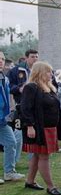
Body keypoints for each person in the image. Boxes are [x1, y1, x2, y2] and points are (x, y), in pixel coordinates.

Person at [21, 61, 61, 195]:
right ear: (40, 72)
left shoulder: (48, 87)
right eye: (48, 71)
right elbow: (26, 109)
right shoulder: (31, 87)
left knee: (37, 156)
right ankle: (50, 187)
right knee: (44, 157)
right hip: (39, 128)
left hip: (49, 128)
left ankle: (30, 181)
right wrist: (30, 126)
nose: (51, 74)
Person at [0, 51, 25, 183]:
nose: (1, 61)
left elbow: (8, 94)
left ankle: (9, 172)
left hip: (3, 119)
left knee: (11, 142)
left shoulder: (5, 77)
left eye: (2, 59)